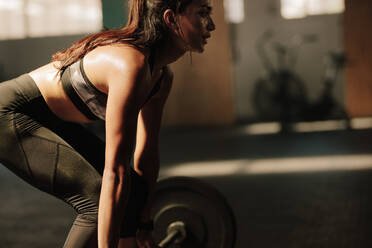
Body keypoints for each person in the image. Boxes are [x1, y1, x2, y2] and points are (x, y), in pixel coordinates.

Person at [0, 0, 215, 247]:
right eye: (202, 13)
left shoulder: (161, 77)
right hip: (8, 113)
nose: (212, 25)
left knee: (133, 192)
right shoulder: (130, 65)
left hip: (51, 120)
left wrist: (143, 223)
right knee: (96, 198)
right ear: (170, 19)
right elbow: (116, 171)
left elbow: (146, 155)